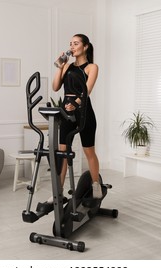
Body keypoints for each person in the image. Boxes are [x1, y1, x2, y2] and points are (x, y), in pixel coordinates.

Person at [49, 33, 102, 203]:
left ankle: (96, 185)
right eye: (70, 43)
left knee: (89, 151)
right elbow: (56, 87)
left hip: (84, 112)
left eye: (76, 43)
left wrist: (76, 104)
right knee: (63, 152)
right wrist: (60, 67)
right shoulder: (67, 66)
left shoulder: (92, 67)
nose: (72, 46)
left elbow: (87, 90)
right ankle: (58, 192)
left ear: (85, 46)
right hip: (66, 112)